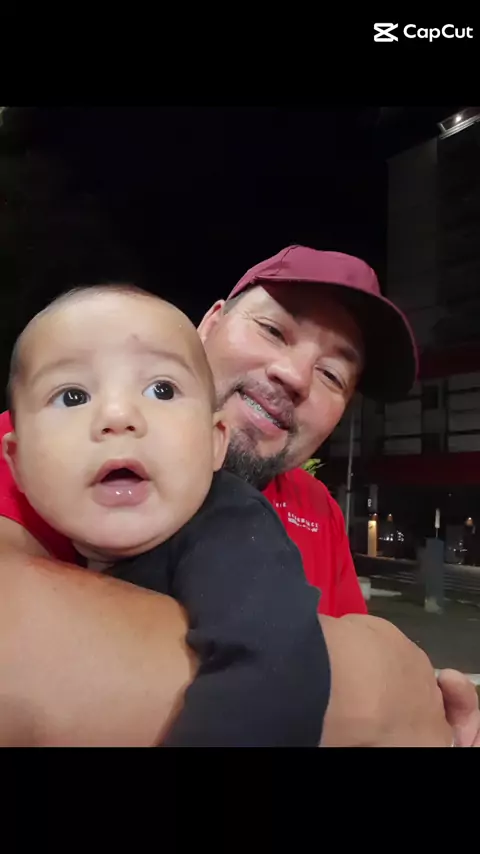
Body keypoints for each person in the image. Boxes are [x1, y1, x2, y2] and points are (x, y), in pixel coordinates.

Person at [0, 245, 478, 746]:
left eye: (332, 375)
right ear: (209, 324)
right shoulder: (50, 442)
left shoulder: (317, 509)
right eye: (272, 330)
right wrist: (380, 689)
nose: (294, 377)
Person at [2, 284, 330, 747]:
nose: (119, 415)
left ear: (215, 442)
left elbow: (276, 671)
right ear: (17, 463)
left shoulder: (233, 529)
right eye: (72, 396)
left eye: (162, 389)